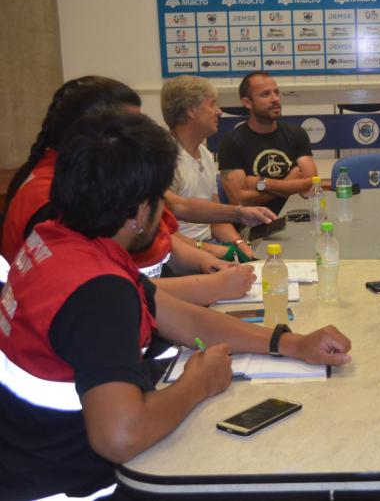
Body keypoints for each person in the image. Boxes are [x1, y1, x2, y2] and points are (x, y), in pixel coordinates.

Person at [0, 109, 352, 500]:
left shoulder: (61, 238)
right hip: (74, 484)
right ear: (137, 211)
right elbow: (120, 436)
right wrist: (197, 384)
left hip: (29, 457)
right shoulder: (97, 292)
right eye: (159, 201)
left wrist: (290, 342)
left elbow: (182, 318)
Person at [0, 76, 273, 306]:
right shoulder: (58, 196)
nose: (141, 134)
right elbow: (107, 292)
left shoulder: (88, 176)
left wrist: (206, 265)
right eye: (131, 126)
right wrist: (211, 286)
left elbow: (165, 240)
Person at [161, 75, 257, 262]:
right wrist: (212, 250)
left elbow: (217, 219)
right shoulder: (164, 159)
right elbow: (164, 235)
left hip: (210, 246)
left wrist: (239, 245)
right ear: (191, 110)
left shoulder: (204, 153)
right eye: (212, 104)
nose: (219, 111)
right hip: (182, 258)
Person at [218, 71, 317, 213]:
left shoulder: (297, 134)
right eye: (265, 94)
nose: (275, 99)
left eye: (276, 92)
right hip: (256, 227)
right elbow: (239, 201)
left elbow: (312, 185)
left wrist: (262, 183)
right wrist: (289, 183)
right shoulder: (232, 142)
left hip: (296, 218)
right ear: (247, 102)